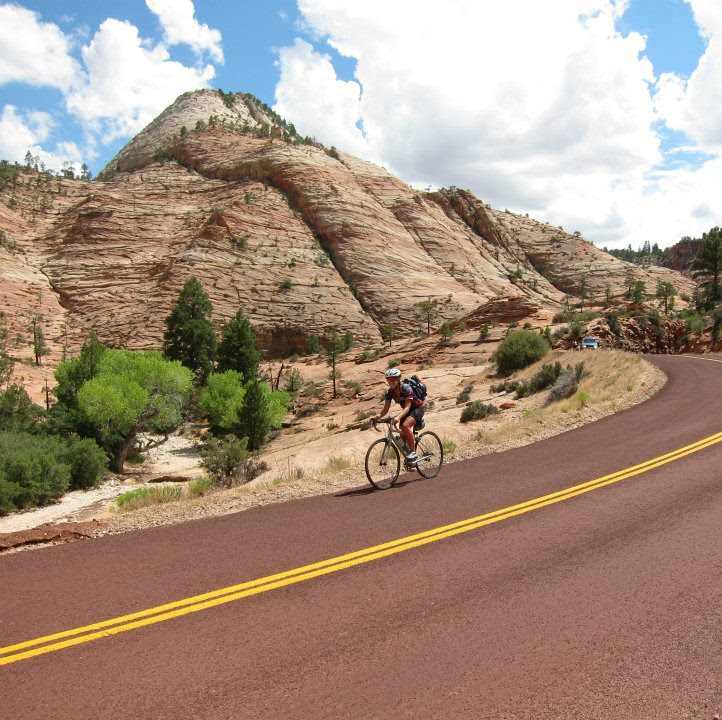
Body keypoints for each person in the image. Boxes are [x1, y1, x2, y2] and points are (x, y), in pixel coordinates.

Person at [373, 368, 425, 464]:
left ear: (398, 379)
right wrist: (378, 417)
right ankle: (412, 462)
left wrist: (398, 417)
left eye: (393, 380)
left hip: (418, 408)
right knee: (402, 437)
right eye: (389, 380)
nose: (391, 382)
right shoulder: (390, 392)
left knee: (405, 426)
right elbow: (385, 409)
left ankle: (413, 453)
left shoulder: (406, 388)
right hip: (407, 411)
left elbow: (407, 407)